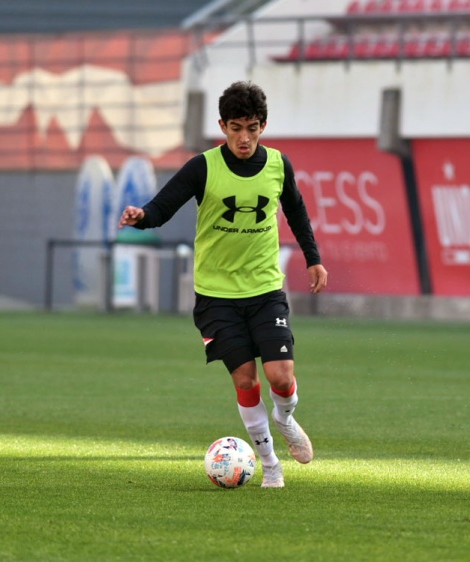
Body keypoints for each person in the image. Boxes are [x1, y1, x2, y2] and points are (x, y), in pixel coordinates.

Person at [118, 81, 328, 488]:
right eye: (235, 128)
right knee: (246, 379)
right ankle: (270, 466)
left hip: (265, 289)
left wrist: (313, 258)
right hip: (216, 297)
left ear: (263, 126)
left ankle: (285, 419)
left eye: (251, 128)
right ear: (222, 126)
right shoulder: (203, 167)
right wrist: (141, 216)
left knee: (281, 376)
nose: (244, 138)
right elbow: (162, 207)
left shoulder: (278, 165)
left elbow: (296, 212)